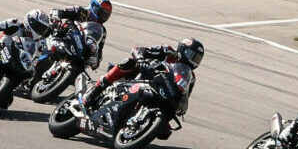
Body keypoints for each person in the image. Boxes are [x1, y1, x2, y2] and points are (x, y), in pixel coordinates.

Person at [76, 38, 204, 114]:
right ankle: (95, 90)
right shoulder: (167, 51)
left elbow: (184, 95)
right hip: (141, 75)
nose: (193, 61)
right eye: (191, 56)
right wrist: (141, 58)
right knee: (128, 62)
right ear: (182, 50)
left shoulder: (190, 77)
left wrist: (180, 107)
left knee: (164, 132)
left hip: (160, 92)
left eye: (196, 59)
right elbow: (138, 49)